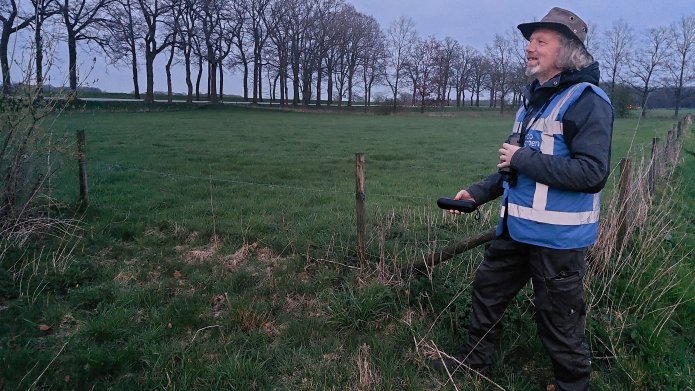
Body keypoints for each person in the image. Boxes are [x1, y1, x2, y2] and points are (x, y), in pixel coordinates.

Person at [432, 7, 614, 391]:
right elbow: (511, 166)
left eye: (540, 41)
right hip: (516, 229)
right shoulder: (534, 100)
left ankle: (572, 386)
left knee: (559, 320)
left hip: (558, 241)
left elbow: (592, 174)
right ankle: (473, 363)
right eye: (530, 41)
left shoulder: (587, 100)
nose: (529, 48)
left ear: (567, 51)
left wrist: (523, 158)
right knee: (487, 292)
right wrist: (478, 193)